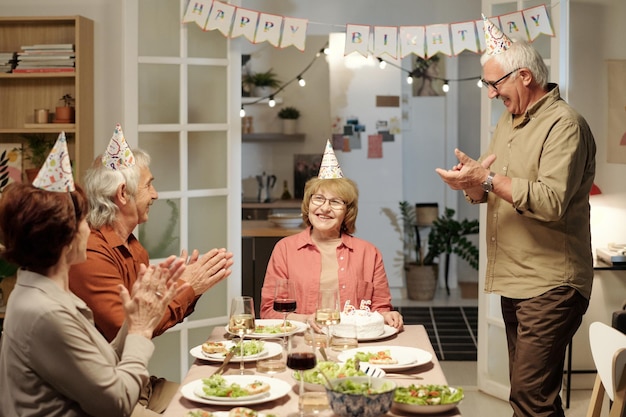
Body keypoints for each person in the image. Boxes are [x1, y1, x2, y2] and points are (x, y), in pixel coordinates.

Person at [435, 17, 596, 417]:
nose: (491, 94)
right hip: (517, 280)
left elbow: (550, 199)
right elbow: (496, 188)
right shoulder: (508, 122)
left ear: (524, 75)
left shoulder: (565, 125)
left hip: (551, 283)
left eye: (495, 84)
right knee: (535, 397)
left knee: (529, 399)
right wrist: (471, 186)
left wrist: (486, 178)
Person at [0, 134, 187, 416]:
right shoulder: (46, 312)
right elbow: (116, 403)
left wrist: (136, 318)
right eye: (82, 221)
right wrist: (139, 330)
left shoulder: (45, 293)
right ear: (64, 239)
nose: (89, 228)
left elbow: (104, 361)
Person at [68, 125, 234, 412]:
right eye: (148, 185)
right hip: (109, 395)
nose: (155, 194)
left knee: (226, 400)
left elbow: (150, 321)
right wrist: (186, 288)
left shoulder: (134, 247)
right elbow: (130, 328)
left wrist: (183, 289)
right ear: (123, 194)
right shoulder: (92, 253)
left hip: (139, 383)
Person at [260, 140, 403, 331]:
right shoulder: (285, 249)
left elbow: (380, 308)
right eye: (318, 198)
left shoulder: (369, 253)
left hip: (353, 342)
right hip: (301, 344)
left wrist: (387, 315)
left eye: (336, 202)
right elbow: (269, 311)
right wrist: (305, 320)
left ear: (347, 211)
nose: (325, 208)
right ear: (308, 204)